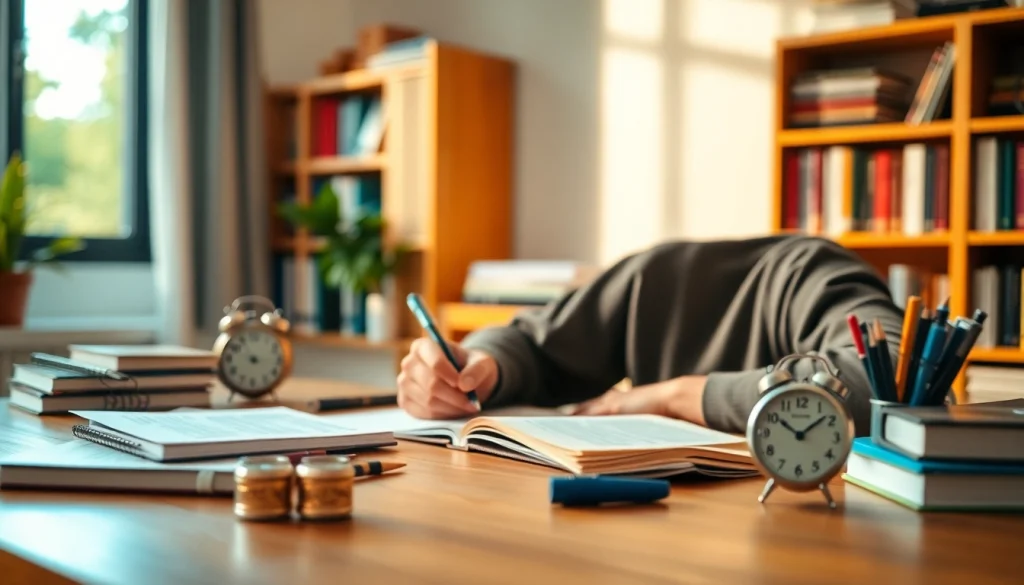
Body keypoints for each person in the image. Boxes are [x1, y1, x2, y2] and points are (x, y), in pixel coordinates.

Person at [396, 234, 905, 435]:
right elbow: (529, 342)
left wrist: (673, 396)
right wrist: (480, 368)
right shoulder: (656, 278)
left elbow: (887, 382)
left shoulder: (817, 273)